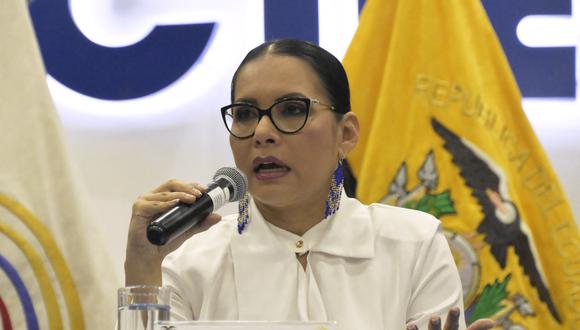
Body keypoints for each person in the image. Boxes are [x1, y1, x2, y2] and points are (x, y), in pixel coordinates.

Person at [124, 39, 495, 330]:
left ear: (345, 134)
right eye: (245, 114)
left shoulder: (413, 244)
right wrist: (142, 267)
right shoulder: (189, 262)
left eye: (291, 109)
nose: (263, 132)